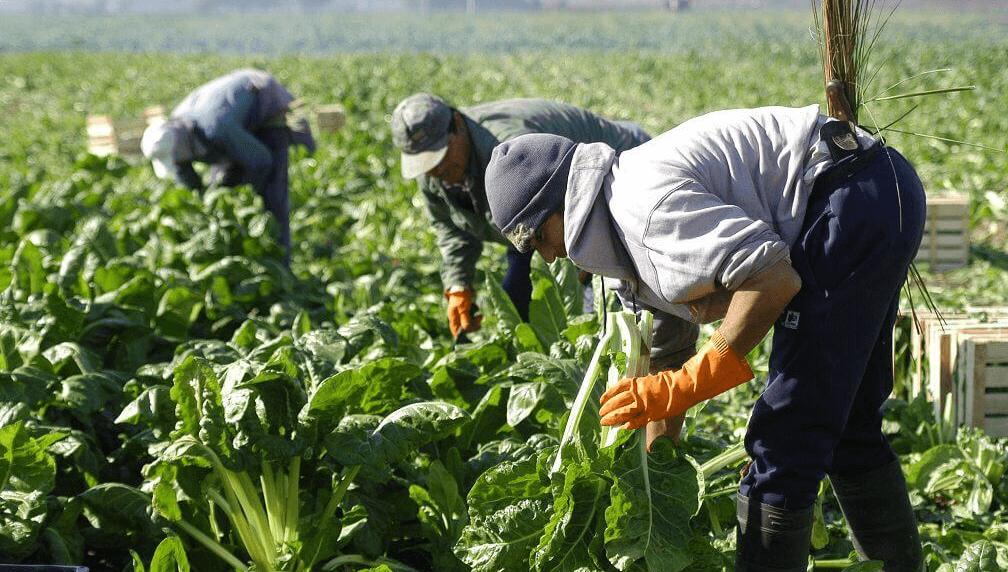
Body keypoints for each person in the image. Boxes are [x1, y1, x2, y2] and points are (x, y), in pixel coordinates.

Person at [483, 105, 926, 572]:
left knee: (783, 446)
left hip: (850, 203)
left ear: (562, 205)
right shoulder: (618, 228)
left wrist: (696, 379)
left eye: (537, 238)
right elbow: (668, 352)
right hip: (878, 190)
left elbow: (773, 281)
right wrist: (654, 469)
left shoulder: (644, 210)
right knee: (849, 426)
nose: (548, 257)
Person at [391, 93, 669, 341]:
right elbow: (451, 228)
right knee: (518, 297)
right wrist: (457, 284)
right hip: (539, 218)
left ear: (458, 125)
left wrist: (588, 256)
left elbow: (573, 203)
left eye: (439, 156)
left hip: (620, 175)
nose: (435, 170)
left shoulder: (509, 150)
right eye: (426, 163)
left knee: (610, 303)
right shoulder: (434, 176)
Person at [140, 68, 316, 266]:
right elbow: (186, 176)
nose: (179, 164)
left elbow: (262, 161)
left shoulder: (216, 129)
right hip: (232, 119)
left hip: (265, 104)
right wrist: (206, 203)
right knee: (221, 194)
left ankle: (281, 266)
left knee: (272, 196)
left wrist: (243, 194)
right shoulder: (176, 133)